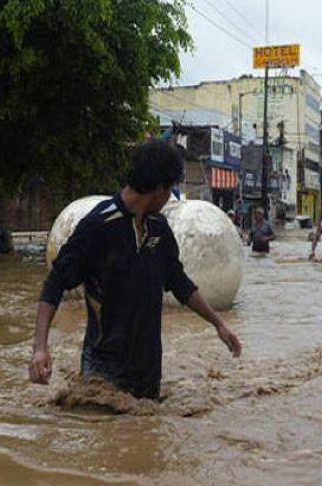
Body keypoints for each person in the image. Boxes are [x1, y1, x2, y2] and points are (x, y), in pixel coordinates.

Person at [29, 139, 241, 399]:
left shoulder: (158, 229)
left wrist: (219, 324)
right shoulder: (98, 225)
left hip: (148, 371)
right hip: (102, 370)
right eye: (171, 189)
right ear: (160, 188)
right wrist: (40, 348)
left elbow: (179, 282)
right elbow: (55, 283)